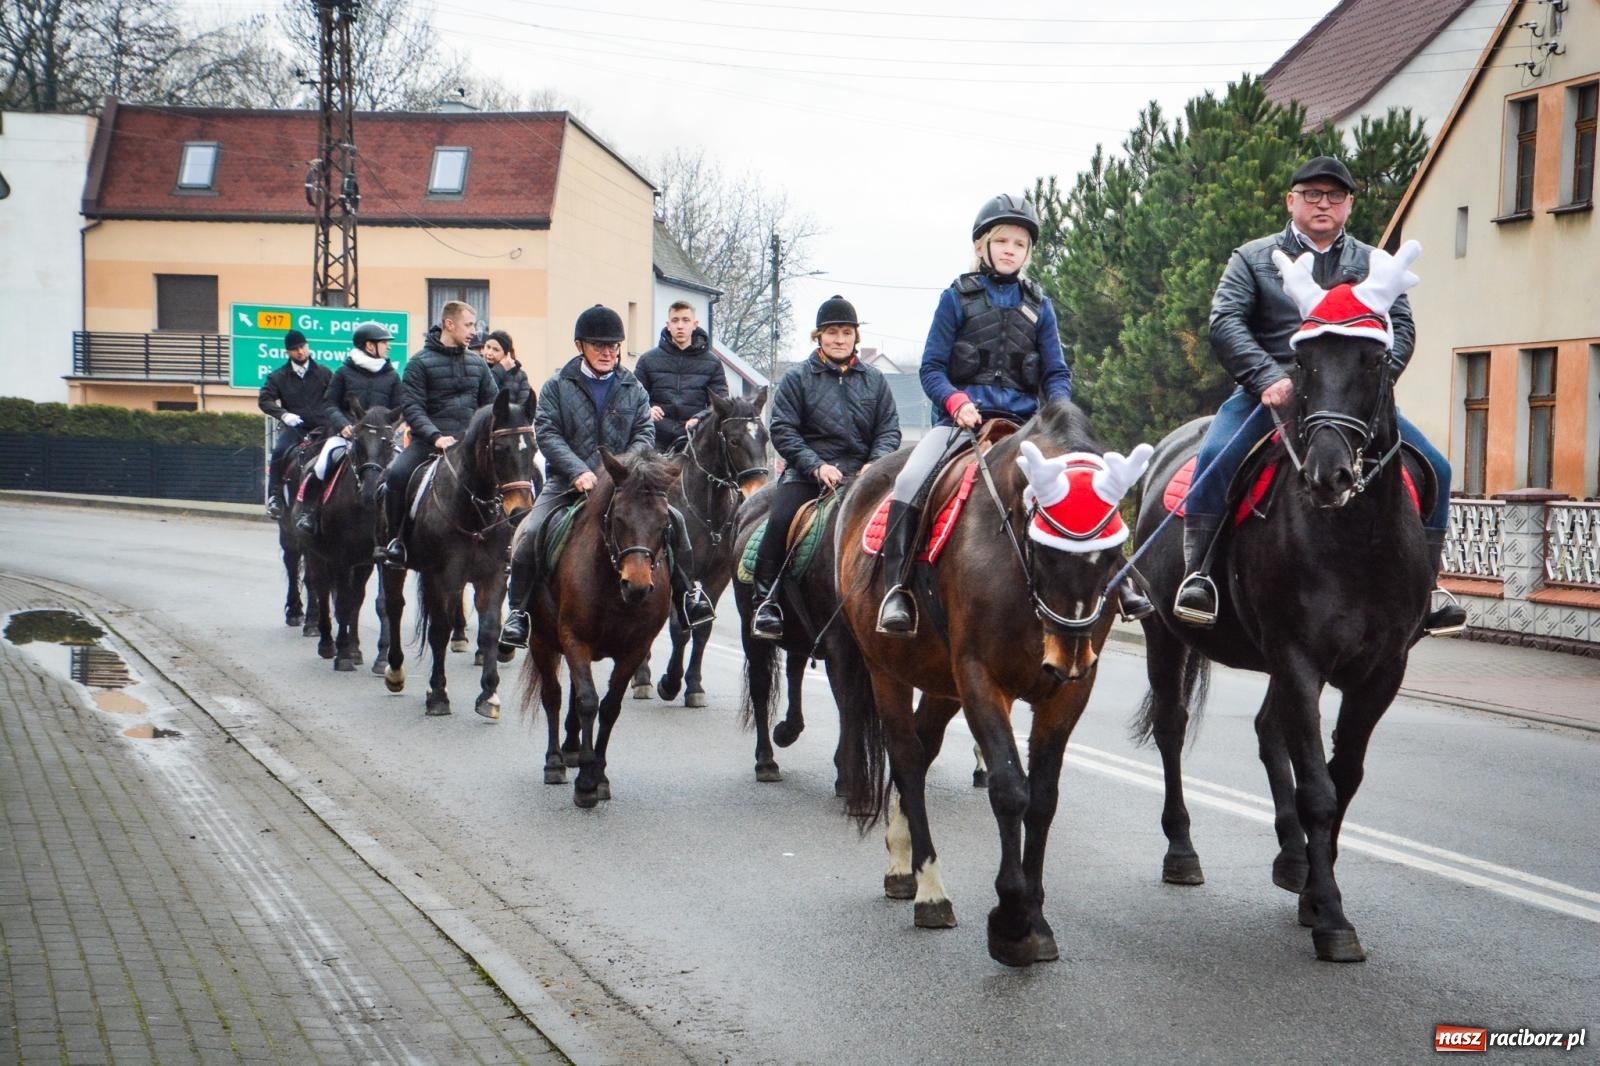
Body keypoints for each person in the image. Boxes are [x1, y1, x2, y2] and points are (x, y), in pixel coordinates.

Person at [1173, 156, 1466, 635]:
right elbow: (1225, 322)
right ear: (1291, 201)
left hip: (1350, 401)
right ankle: (1200, 575)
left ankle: (1429, 586)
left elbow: (1404, 328)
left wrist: (1371, 380)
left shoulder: (1376, 264)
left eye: (1334, 196)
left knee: (1436, 465)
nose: (1322, 204)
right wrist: (1267, 377)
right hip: (1270, 393)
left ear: (1349, 204)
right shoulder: (1252, 258)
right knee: (1214, 458)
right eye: (1311, 194)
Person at [873, 194, 1152, 636]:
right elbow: (931, 368)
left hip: (1026, 427)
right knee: (910, 481)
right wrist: (957, 403)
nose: (1009, 249)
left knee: (1090, 482)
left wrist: (1058, 412)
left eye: (1019, 244)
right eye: (1001, 240)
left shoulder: (1040, 305)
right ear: (982, 245)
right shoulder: (956, 298)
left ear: (1027, 252)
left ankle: (1125, 580)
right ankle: (897, 591)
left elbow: (1056, 371)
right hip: (962, 423)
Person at [499, 305, 715, 648]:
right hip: (568, 482)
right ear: (580, 346)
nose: (608, 352)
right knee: (530, 532)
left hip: (623, 484)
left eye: (613, 346)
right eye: (599, 345)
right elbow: (548, 433)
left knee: (674, 521)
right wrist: (578, 472)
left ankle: (688, 598)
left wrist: (626, 472)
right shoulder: (558, 385)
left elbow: (644, 435)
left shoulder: (634, 388)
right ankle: (518, 613)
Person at [751, 295, 901, 640]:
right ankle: (765, 601)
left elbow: (889, 429)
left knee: (901, 520)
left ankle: (895, 595)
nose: (839, 339)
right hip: (808, 475)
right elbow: (783, 430)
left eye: (846, 332)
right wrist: (816, 466)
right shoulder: (796, 379)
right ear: (818, 336)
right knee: (780, 521)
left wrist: (874, 464)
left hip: (863, 476)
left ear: (855, 338)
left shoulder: (875, 381)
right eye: (832, 332)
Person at [378, 302, 497, 566]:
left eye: (474, 325)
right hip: (430, 444)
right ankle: (396, 541)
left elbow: (492, 405)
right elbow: (412, 407)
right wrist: (435, 436)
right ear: (449, 324)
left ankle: (508, 539)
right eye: (468, 325)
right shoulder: (419, 363)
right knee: (396, 475)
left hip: (468, 447)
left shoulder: (478, 365)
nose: (473, 332)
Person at [294, 322, 401, 536]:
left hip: (380, 439)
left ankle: (400, 526)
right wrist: (343, 425)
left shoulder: (392, 375)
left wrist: (395, 426)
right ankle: (309, 513)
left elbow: (399, 407)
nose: (388, 347)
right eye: (384, 343)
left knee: (401, 470)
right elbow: (329, 403)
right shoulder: (344, 372)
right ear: (370, 346)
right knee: (322, 463)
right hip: (348, 434)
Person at [634, 301, 729, 453]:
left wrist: (700, 418)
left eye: (685, 320)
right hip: (654, 440)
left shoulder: (712, 363)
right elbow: (632, 398)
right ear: (668, 325)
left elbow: (721, 402)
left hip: (696, 442)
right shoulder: (647, 360)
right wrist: (647, 410)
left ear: (694, 324)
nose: (680, 326)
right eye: (675, 320)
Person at [259, 328, 332, 519]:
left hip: (323, 428)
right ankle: (274, 497)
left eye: (302, 347)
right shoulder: (278, 376)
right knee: (279, 452)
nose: (300, 352)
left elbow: (338, 398)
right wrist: (284, 415)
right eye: (294, 349)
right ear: (288, 352)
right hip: (296, 429)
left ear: (307, 346)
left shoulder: (324, 373)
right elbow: (265, 400)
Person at [481, 329, 533, 407]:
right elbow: (483, 393)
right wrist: (500, 369)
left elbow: (524, 407)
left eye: (496, 350)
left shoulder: (519, 376)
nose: (489, 353)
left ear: (507, 354)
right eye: (488, 347)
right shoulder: (479, 369)